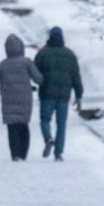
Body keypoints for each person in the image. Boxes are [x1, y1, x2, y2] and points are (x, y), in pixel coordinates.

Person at [34, 26, 84, 161]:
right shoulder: (70, 54)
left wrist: (36, 84)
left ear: (50, 37)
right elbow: (76, 76)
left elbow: (35, 73)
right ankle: (58, 153)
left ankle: (48, 138)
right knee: (61, 124)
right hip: (64, 95)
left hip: (46, 94)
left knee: (45, 120)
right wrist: (79, 95)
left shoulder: (42, 53)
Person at [0, 33, 43, 161]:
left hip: (8, 98)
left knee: (12, 127)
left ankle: (15, 154)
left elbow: (1, 82)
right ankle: (23, 153)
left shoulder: (3, 64)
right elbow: (38, 78)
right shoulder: (26, 62)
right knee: (23, 125)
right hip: (24, 98)